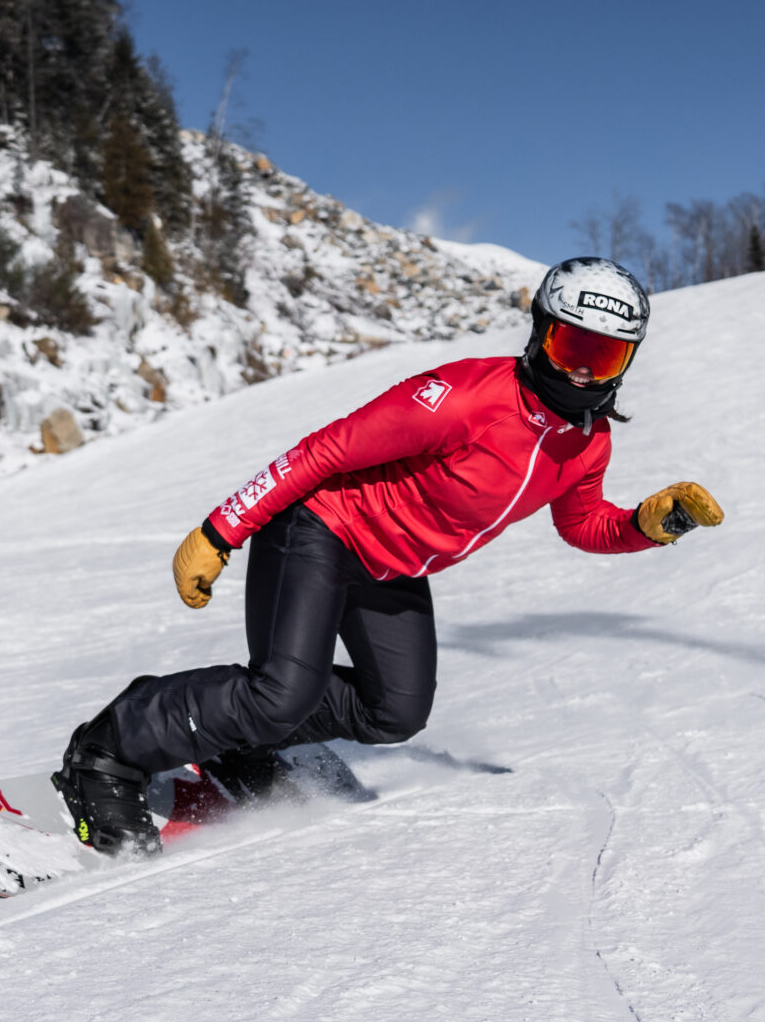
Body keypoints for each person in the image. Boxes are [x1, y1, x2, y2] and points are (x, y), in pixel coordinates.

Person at [52, 257, 725, 854]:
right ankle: (110, 749)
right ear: (540, 333)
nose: (582, 368)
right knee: (281, 693)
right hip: (321, 529)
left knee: (393, 712)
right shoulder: (463, 399)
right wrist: (221, 530)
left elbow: (583, 525)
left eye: (604, 357)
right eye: (572, 344)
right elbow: (328, 450)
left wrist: (648, 524)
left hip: (394, 568)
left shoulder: (588, 442)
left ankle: (240, 739)